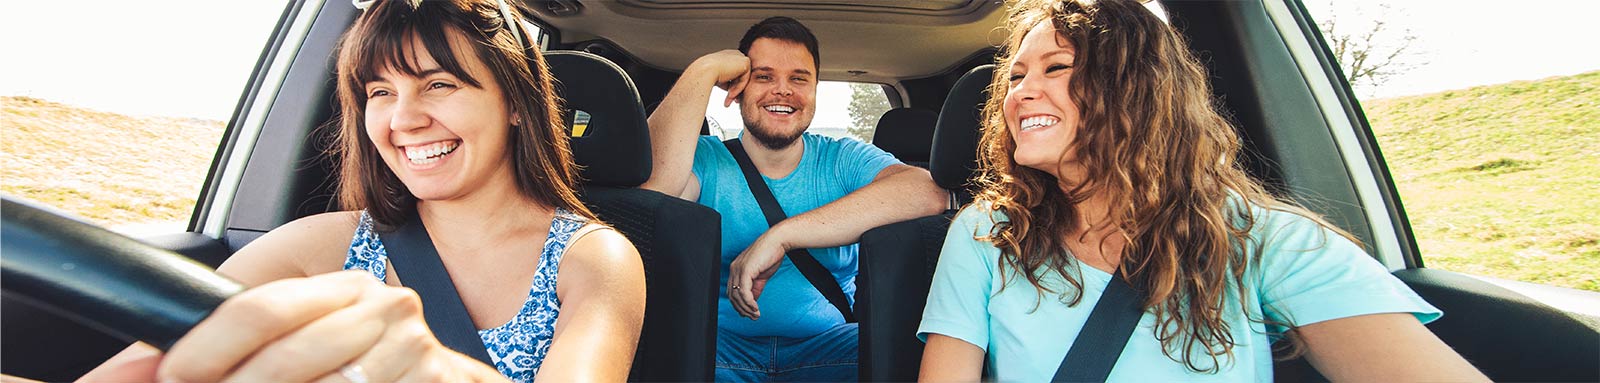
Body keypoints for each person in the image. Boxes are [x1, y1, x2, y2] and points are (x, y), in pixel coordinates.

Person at [916, 0, 1488, 381]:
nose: (1021, 94)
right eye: (1015, 77)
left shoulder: (1263, 240)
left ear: (1137, 90)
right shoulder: (987, 233)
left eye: (1056, 68)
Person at [80, 0, 645, 382]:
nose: (404, 118)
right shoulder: (318, 246)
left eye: (439, 84)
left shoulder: (595, 260)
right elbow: (136, 369)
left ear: (516, 104)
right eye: (380, 91)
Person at [641, 16, 946, 382]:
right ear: (737, 88)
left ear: (815, 90)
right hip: (716, 351)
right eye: (764, 76)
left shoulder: (842, 159)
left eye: (799, 78)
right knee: (650, 349)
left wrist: (783, 236)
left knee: (908, 355)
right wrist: (703, 70)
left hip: (832, 350)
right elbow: (653, 191)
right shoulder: (703, 158)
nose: (782, 91)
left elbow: (928, 192)